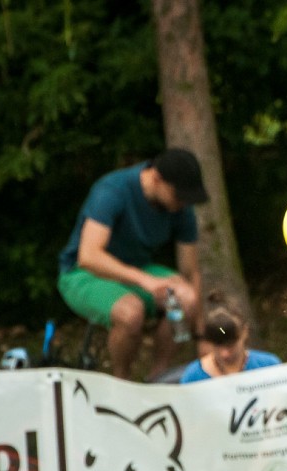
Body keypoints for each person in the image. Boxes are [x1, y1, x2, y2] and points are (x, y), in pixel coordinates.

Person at [58, 148, 208, 381]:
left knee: (186, 298)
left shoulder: (180, 205)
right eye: (178, 196)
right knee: (130, 312)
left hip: (138, 269)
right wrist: (145, 281)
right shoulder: (112, 191)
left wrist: (201, 334)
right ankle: (122, 381)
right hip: (82, 274)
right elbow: (88, 256)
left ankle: (159, 376)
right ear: (156, 178)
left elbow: (191, 271)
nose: (183, 203)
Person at [179, 293, 280, 384]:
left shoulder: (268, 366)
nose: (225, 354)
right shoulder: (193, 377)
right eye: (217, 346)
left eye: (230, 345)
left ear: (245, 332)